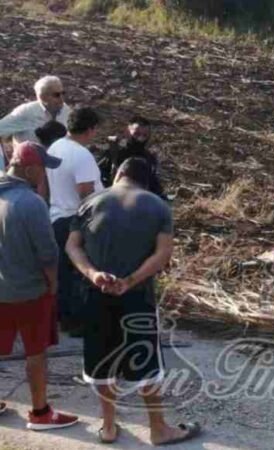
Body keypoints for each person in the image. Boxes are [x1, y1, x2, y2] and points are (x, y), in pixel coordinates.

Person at [66, 157, 200, 445]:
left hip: (95, 294)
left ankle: (109, 427)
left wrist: (94, 274)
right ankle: (158, 429)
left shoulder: (90, 201)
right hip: (137, 297)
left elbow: (72, 245)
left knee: (101, 362)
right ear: (145, 180)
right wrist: (130, 280)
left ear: (119, 173)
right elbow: (162, 254)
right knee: (146, 363)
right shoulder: (157, 206)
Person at [0, 142, 79, 431]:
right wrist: (54, 283)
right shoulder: (31, 203)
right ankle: (40, 412)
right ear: (30, 169)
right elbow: (47, 253)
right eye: (43, 168)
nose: (44, 174)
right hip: (30, 291)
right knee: (36, 352)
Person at [47, 107, 104, 336]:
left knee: (63, 272)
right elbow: (86, 192)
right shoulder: (81, 155)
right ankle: (76, 322)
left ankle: (63, 318)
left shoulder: (55, 147)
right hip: (75, 218)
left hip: (57, 214)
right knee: (80, 272)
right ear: (90, 129)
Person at [96, 116, 165, 199]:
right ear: (127, 132)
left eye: (144, 135)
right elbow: (97, 176)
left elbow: (154, 184)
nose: (140, 138)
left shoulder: (149, 158)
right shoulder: (115, 152)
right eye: (137, 134)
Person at [0, 76, 71, 149]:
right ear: (42, 97)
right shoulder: (26, 112)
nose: (62, 98)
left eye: (63, 93)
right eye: (56, 95)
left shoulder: (66, 110)